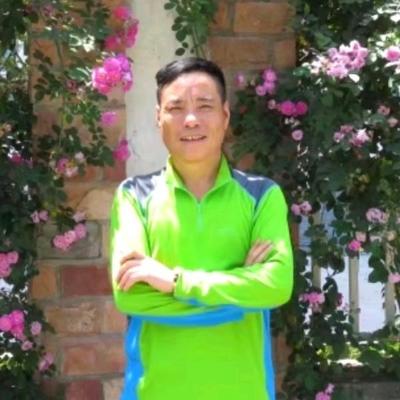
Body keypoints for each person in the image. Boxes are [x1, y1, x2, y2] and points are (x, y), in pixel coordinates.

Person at [109, 57, 294, 400]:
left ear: (225, 116)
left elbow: (276, 286)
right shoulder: (134, 196)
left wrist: (174, 282)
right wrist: (241, 296)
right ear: (158, 117)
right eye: (176, 108)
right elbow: (131, 295)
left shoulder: (262, 196)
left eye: (204, 106)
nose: (191, 119)